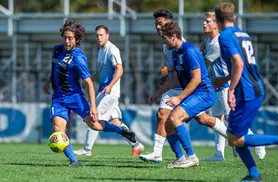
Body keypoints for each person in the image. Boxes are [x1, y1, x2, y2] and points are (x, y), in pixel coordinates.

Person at [214, 2, 278, 181]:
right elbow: (244, 65)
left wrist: (231, 89)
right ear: (234, 17)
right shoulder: (243, 34)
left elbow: (239, 63)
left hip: (246, 91)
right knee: (234, 137)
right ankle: (254, 175)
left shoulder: (225, 36)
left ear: (218, 20)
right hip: (254, 86)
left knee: (235, 139)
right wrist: (227, 79)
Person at [42, 18, 137, 167]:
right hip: (59, 97)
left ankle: (122, 131)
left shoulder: (79, 57)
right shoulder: (57, 50)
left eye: (70, 38)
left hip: (75, 97)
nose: (67, 41)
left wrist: (93, 107)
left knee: (95, 126)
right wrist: (48, 82)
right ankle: (74, 161)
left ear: (77, 39)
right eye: (65, 37)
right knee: (57, 129)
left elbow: (89, 83)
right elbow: (56, 69)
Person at [150, 21, 230, 169]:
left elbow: (197, 78)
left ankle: (192, 157)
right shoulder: (176, 53)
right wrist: (157, 93)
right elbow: (174, 79)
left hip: (204, 93)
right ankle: (180, 158)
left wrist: (179, 98)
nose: (163, 41)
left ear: (174, 37)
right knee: (168, 124)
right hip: (194, 93)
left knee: (174, 118)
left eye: (165, 38)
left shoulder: (189, 51)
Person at [201, 12, 266, 162]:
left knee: (231, 119)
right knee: (218, 120)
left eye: (208, 21)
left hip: (226, 85)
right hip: (216, 85)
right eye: (204, 21)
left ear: (216, 25)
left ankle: (257, 141)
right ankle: (219, 154)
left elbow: (204, 64)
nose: (204, 24)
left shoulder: (218, 42)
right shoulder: (208, 41)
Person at [74, 25, 144, 157]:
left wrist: (110, 85)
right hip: (104, 90)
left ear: (107, 35)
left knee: (95, 117)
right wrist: (90, 79)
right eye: (97, 35)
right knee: (115, 122)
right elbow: (102, 72)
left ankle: (87, 149)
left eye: (101, 35)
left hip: (109, 92)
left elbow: (119, 70)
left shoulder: (113, 50)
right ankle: (136, 144)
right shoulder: (101, 50)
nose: (99, 38)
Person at [139, 9, 184, 163]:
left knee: (204, 119)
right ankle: (157, 153)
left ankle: (246, 139)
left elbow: (182, 65)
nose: (157, 27)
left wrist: (169, 69)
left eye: (160, 23)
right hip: (175, 85)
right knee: (162, 115)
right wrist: (165, 75)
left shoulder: (178, 41)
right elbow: (172, 64)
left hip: (187, 86)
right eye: (156, 24)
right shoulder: (166, 43)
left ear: (170, 23)